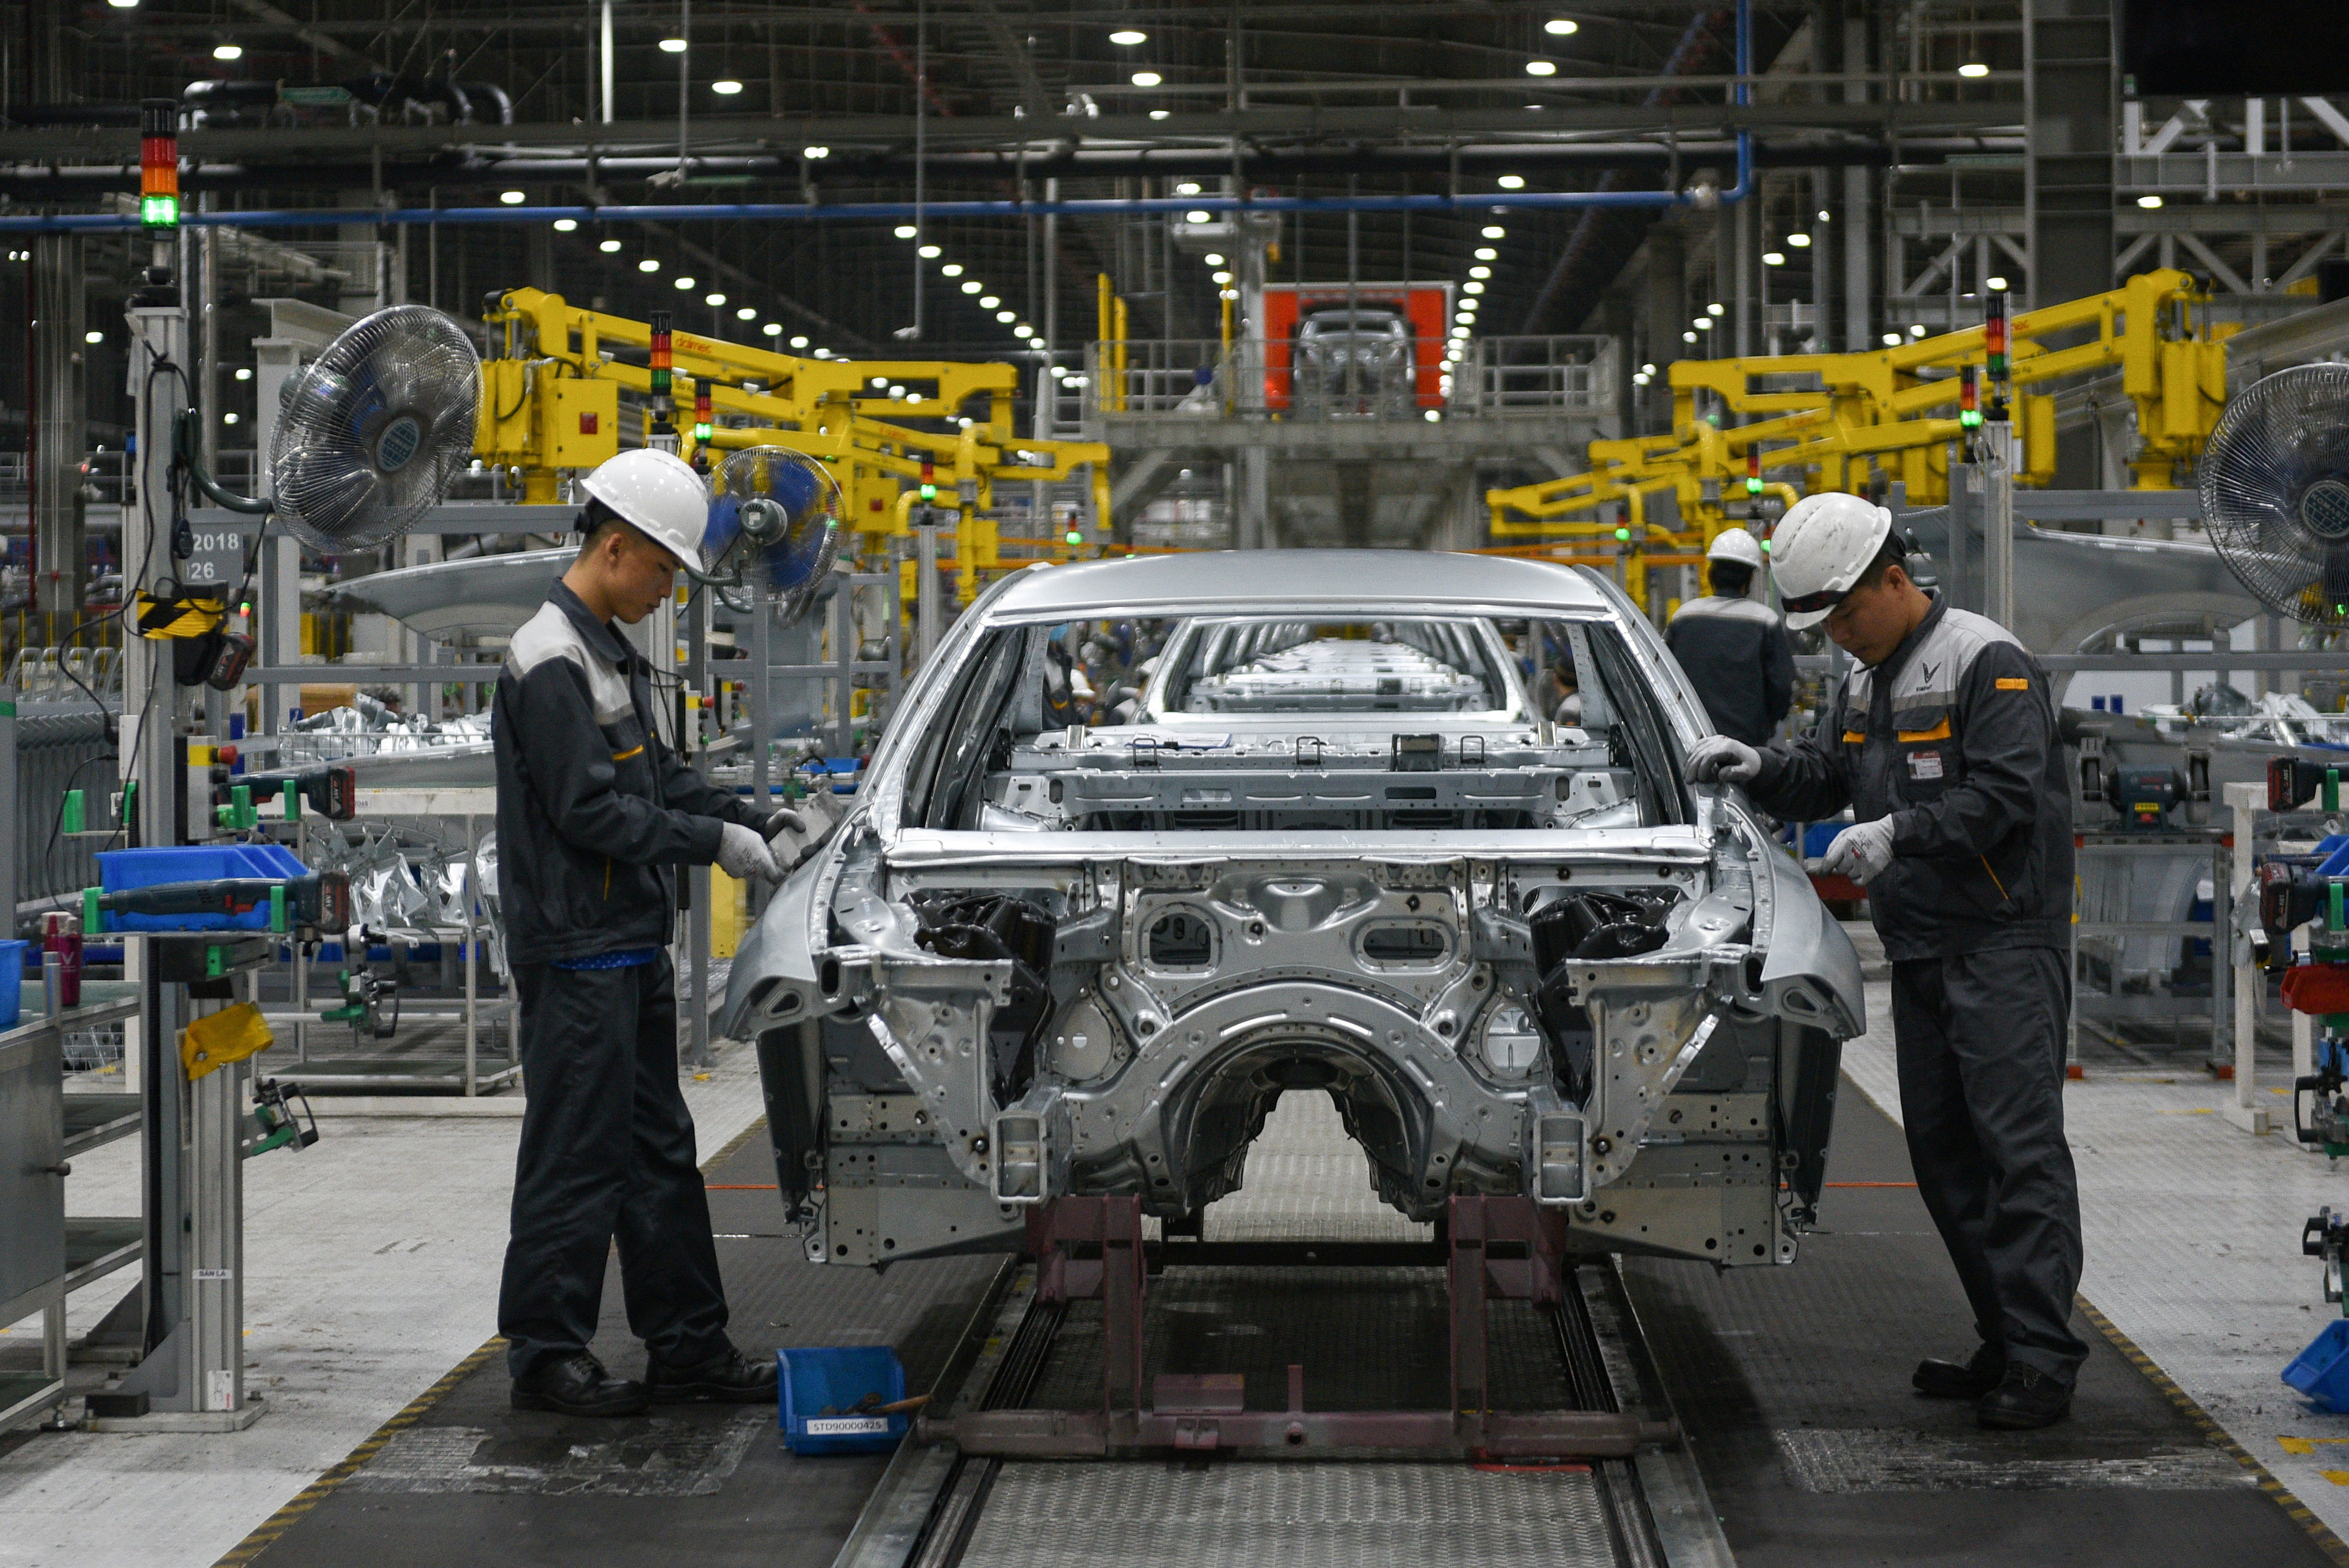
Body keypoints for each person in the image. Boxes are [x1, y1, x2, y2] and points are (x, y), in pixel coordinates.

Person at [1684, 491, 2083, 1431]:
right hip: (1923, 948)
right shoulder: (1863, 681)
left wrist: (1898, 834)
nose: (1839, 639)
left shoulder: (1984, 662)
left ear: (1892, 580)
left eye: (1846, 617)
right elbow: (1827, 771)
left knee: (2015, 1152)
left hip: (2001, 944)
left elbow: (2007, 796)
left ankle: (2041, 1355)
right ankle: (2004, 1335)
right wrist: (1756, 763)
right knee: (1946, 1157)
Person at [493, 447, 810, 1417]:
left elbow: (658, 781)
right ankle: (547, 1356)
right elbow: (593, 814)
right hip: (577, 949)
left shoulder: (609, 655)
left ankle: (688, 1351)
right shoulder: (549, 660)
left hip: (625, 946)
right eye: (666, 569)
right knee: (576, 1157)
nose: (669, 589)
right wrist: (711, 842)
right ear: (617, 547)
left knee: (659, 1156)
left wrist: (756, 819)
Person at [1665, 528, 1794, 746]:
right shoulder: (1765, 620)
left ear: (1711, 573)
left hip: (1687, 743)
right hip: (1746, 748)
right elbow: (1781, 688)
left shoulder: (1683, 616)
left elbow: (1661, 676)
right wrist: (1766, 725)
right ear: (1750, 578)